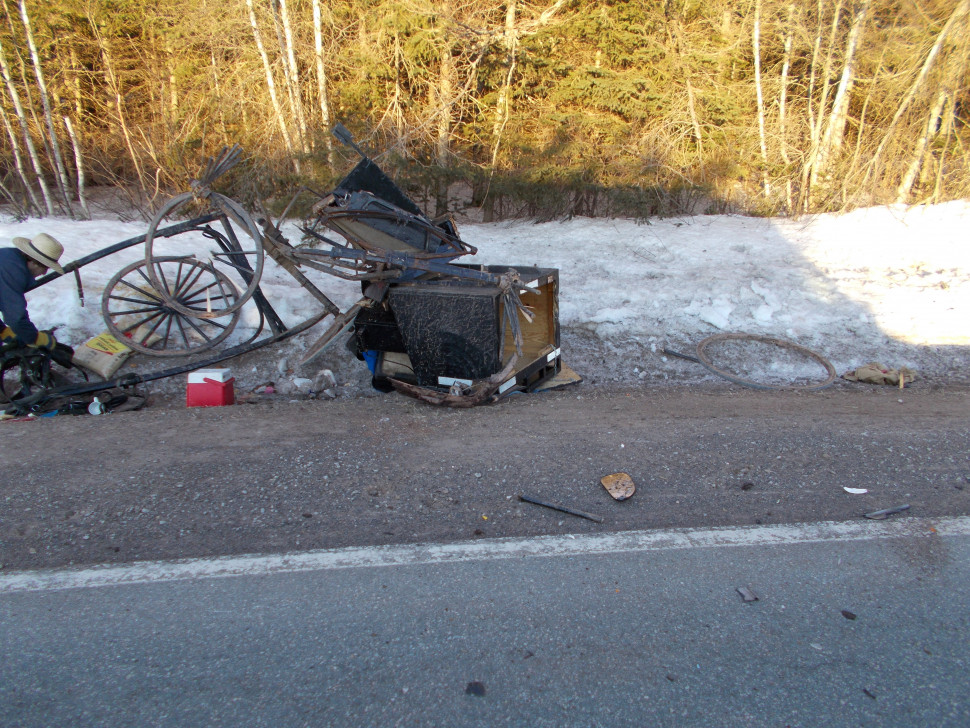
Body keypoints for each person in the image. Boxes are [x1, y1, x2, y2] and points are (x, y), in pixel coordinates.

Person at [0, 233, 65, 351]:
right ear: (35, 262)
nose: (44, 273)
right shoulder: (13, 271)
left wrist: (2, 330)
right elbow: (15, 318)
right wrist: (35, 338)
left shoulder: (8, 256)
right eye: (45, 268)